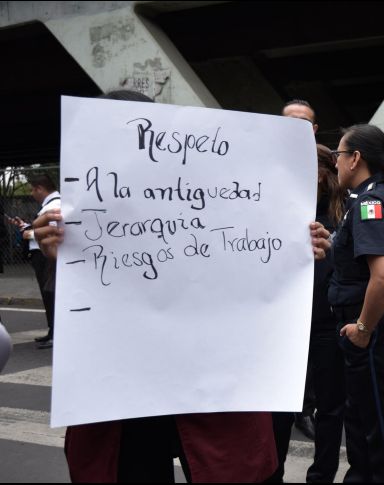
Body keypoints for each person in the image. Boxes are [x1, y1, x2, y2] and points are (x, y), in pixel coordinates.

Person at [32, 89, 333, 483]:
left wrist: (296, 247)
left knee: (225, 463)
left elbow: (249, 253)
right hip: (124, 389)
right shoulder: (84, 204)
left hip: (206, 380)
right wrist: (60, 255)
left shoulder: (214, 185)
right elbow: (84, 302)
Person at [329, 124, 384, 482]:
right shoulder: (372, 197)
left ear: (355, 159)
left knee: (379, 427)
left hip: (371, 329)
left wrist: (362, 329)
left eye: (338, 155)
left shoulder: (371, 202)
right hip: (371, 326)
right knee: (364, 420)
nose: (335, 164)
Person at [272, 98, 319, 450]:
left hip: (314, 279)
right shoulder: (258, 165)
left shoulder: (329, 169)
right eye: (290, 121)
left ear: (314, 129)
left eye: (304, 122)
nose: (297, 127)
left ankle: (304, 407)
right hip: (270, 280)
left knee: (308, 351)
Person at [305, 144, 347, 482]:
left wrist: (329, 246)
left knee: (330, 404)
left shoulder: (342, 209)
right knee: (280, 408)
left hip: (325, 320)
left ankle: (321, 475)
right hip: (284, 322)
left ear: (322, 173)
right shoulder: (275, 204)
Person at [11, 173, 60, 349]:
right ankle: (52, 330)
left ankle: (56, 333)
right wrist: (27, 227)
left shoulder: (54, 205)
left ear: (40, 188)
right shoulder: (50, 205)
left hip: (47, 255)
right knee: (48, 294)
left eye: (32, 189)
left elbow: (53, 231)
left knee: (51, 294)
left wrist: (28, 233)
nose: (31, 193)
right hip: (43, 254)